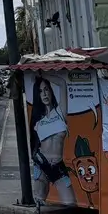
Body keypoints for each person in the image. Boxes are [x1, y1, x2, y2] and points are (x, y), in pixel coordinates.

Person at [29, 77, 75, 205]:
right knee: (38, 202)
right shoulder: (37, 119)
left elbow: (62, 83)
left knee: (70, 203)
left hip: (58, 166)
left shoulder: (60, 113)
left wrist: (42, 72)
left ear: (51, 91)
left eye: (46, 89)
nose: (44, 94)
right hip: (42, 163)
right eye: (40, 91)